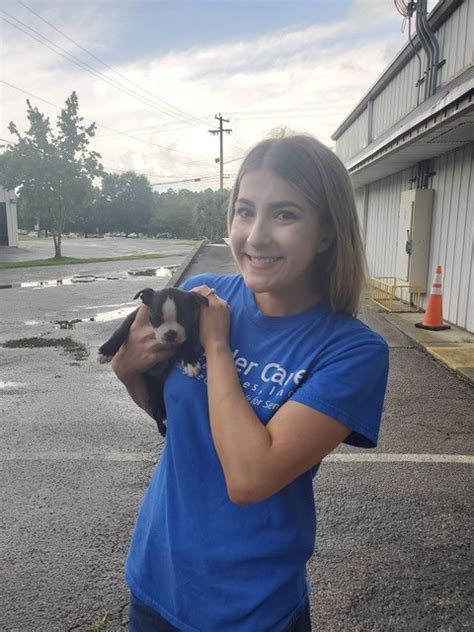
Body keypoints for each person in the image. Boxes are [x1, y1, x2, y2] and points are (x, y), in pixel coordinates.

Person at [111, 134, 389, 632]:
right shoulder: (202, 296)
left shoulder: (352, 351)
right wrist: (127, 367)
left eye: (284, 214)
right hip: (156, 579)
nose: (255, 236)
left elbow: (249, 478)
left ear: (326, 231)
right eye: (244, 211)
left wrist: (217, 348)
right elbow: (173, 416)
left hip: (250, 607)